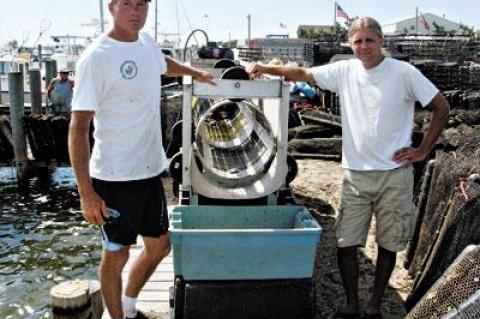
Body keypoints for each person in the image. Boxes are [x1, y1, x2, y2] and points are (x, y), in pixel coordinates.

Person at [248, 17, 449, 319]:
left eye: (369, 40)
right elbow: (303, 72)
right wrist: (266, 69)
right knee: (346, 241)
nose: (364, 47)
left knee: (388, 242)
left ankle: (374, 304)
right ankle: (352, 302)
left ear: (382, 41)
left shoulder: (404, 73)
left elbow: (441, 107)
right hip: (356, 174)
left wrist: (422, 151)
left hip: (394, 174)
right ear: (351, 44)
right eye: (358, 41)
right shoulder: (344, 71)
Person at [68, 0, 215, 318]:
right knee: (116, 255)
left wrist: (197, 74)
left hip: (149, 170)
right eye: (127, 4)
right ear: (111, 8)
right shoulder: (96, 57)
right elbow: (78, 128)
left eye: (141, 4)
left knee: (160, 246)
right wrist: (86, 193)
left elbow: (163, 63)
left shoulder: (146, 43)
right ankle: (117, 316)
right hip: (114, 176)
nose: (135, 11)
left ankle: (130, 304)